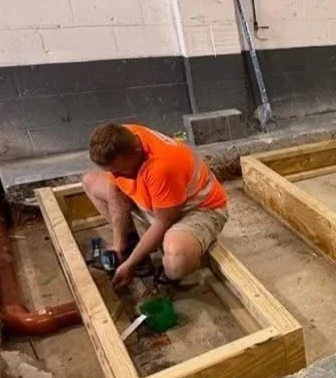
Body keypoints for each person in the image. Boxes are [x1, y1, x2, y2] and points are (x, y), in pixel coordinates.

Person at [82, 123, 229, 290]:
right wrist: (119, 244)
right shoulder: (121, 137)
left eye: (119, 171)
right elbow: (115, 189)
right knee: (90, 181)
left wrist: (130, 264)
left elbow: (163, 222)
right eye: (112, 172)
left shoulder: (162, 166)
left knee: (177, 260)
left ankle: (168, 276)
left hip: (197, 209)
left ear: (136, 152)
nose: (116, 176)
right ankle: (131, 249)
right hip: (159, 200)